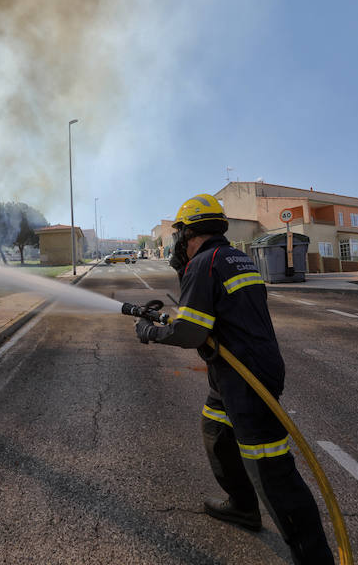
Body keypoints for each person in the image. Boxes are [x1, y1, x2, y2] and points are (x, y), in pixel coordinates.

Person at [134, 194, 334, 564]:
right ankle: (242, 506)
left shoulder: (205, 263)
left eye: (180, 235)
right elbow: (216, 313)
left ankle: (314, 557)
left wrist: (149, 332)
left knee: (272, 471)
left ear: (189, 233)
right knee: (216, 430)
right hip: (237, 372)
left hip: (247, 378)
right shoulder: (234, 257)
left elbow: (191, 332)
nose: (178, 243)